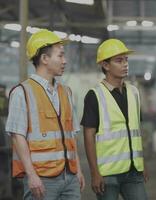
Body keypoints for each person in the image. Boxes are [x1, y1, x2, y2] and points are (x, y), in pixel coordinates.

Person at [6, 29, 85, 200]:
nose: (65, 61)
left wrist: (77, 170)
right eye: (60, 56)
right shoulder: (22, 92)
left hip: (69, 177)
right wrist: (32, 176)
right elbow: (17, 137)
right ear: (44, 59)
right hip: (41, 179)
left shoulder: (66, 92)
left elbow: (71, 137)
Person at [82, 38, 147, 200]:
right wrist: (94, 172)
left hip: (133, 171)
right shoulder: (94, 95)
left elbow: (136, 132)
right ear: (105, 65)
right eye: (119, 60)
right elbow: (88, 135)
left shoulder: (134, 92)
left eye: (126, 60)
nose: (125, 64)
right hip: (107, 174)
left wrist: (141, 164)